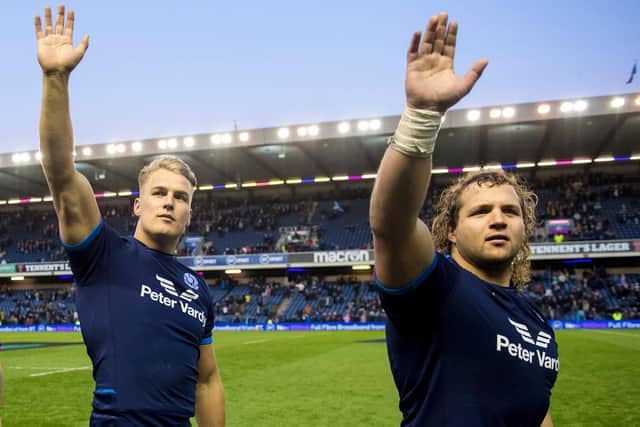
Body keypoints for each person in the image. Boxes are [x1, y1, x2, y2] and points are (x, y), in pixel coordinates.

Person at [35, 5, 225, 426]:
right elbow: (61, 173)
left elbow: (208, 380)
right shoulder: (104, 253)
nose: (169, 201)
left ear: (190, 212)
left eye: (180, 196)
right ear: (138, 205)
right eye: (158, 192)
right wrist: (55, 79)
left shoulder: (196, 288)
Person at [370, 13, 558, 427]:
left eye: (510, 211)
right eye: (480, 211)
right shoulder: (435, 289)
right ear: (451, 231)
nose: (498, 219)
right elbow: (392, 224)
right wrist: (422, 115)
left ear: (525, 230)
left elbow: (537, 413)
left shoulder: (538, 324)